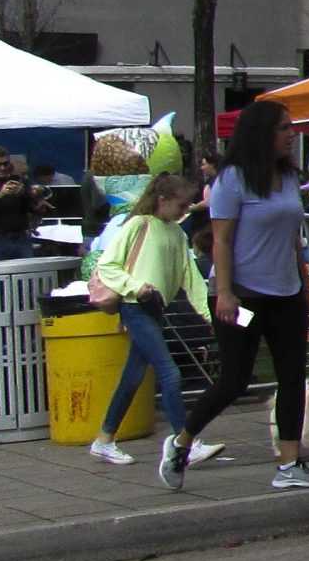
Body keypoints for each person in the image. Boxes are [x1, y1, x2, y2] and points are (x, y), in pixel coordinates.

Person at [158, 100, 309, 492]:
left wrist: (303, 280)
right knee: (235, 378)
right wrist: (226, 293)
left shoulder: (287, 178)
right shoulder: (232, 180)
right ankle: (181, 441)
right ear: (262, 133)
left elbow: (291, 236)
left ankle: (289, 463)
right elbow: (222, 239)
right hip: (244, 298)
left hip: (286, 295)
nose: (291, 134)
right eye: (284, 128)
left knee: (292, 377)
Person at [85, 173, 216, 467]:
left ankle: (104, 439)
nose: (186, 210)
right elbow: (107, 265)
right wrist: (135, 287)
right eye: (181, 204)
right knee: (170, 373)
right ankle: (186, 442)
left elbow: (191, 279)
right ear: (163, 200)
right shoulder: (138, 224)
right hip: (136, 306)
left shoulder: (175, 233)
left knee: (133, 377)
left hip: (152, 308)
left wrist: (209, 314)